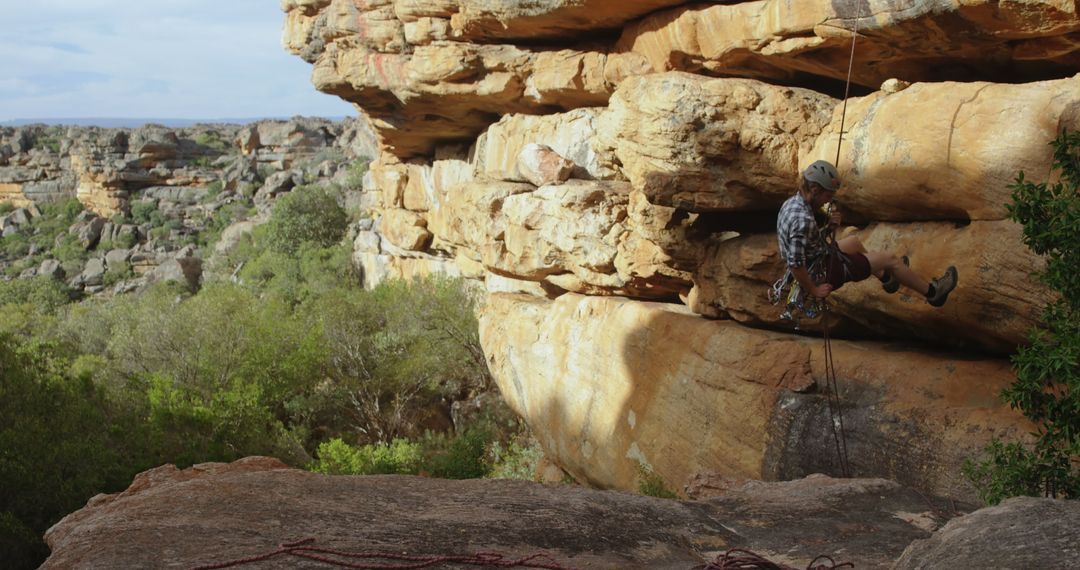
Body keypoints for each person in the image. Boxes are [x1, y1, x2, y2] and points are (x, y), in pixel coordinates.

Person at [771, 160, 958, 318]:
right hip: (824, 273)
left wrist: (829, 228)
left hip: (818, 258)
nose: (829, 201)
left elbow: (806, 243)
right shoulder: (802, 220)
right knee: (891, 259)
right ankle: (934, 293)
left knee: (853, 242)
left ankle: (888, 279)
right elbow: (796, 264)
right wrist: (814, 290)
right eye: (828, 195)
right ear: (814, 189)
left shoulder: (793, 203)